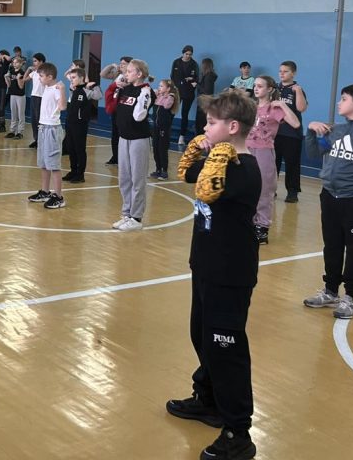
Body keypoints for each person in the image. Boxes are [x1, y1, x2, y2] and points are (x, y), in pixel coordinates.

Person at [167, 90, 262, 460]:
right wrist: (200, 150)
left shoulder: (242, 169)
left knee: (227, 349)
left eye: (211, 122)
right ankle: (208, 399)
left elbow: (206, 190)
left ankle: (239, 432)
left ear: (233, 127)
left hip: (229, 271)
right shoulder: (219, 161)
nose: (204, 128)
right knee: (202, 336)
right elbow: (190, 174)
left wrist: (214, 155)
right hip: (205, 264)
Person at [302, 85, 353, 320]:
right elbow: (313, 154)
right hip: (330, 195)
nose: (339, 103)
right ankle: (330, 291)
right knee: (332, 245)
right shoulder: (336, 130)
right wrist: (311, 131)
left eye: (344, 99)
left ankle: (351, 297)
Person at [246, 76, 299, 245]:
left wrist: (283, 105)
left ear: (269, 89)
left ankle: (262, 227)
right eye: (255, 86)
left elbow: (295, 124)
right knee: (246, 188)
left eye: (260, 86)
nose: (256, 88)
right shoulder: (251, 106)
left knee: (264, 189)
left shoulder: (274, 108)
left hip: (263, 151)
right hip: (246, 149)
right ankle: (247, 223)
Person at [113, 59, 153, 232]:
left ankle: (136, 217)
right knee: (124, 178)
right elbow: (114, 107)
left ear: (139, 74)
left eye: (129, 71)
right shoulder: (125, 89)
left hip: (138, 139)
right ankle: (126, 214)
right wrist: (118, 87)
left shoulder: (146, 91)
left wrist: (143, 95)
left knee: (137, 178)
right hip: (123, 138)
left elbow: (139, 116)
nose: (126, 73)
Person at [27, 62, 67, 210]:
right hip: (43, 127)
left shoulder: (57, 89)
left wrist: (62, 90)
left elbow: (62, 107)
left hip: (52, 129)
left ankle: (59, 197)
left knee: (53, 165)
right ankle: (45, 191)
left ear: (50, 77)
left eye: (42, 76)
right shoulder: (47, 88)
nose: (40, 78)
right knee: (44, 163)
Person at [274, 60, 308, 203]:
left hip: (292, 133)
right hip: (274, 132)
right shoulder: (275, 88)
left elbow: (301, 108)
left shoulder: (297, 89)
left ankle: (292, 192)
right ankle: (271, 189)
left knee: (292, 164)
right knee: (272, 163)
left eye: (285, 71)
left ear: (293, 73)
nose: (282, 74)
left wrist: (298, 91)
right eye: (280, 71)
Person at [63, 69, 101, 184]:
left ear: (81, 78)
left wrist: (94, 85)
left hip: (80, 125)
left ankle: (80, 174)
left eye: (74, 77)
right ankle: (73, 171)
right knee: (71, 148)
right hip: (70, 123)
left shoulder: (86, 90)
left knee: (79, 149)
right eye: (71, 77)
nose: (71, 79)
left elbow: (98, 96)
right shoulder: (73, 89)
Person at [100, 57, 132, 165]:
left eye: (124, 64)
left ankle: (124, 158)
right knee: (115, 133)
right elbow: (103, 74)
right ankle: (115, 157)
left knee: (123, 133)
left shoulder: (130, 77)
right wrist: (112, 66)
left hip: (125, 107)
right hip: (115, 106)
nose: (121, 65)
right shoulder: (117, 75)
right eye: (120, 63)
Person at [150, 78, 180, 180]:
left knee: (162, 149)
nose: (159, 88)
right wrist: (156, 94)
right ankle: (158, 169)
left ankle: (164, 171)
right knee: (155, 148)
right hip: (156, 127)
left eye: (161, 86)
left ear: (168, 89)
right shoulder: (159, 96)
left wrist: (166, 96)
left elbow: (166, 106)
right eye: (159, 86)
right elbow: (152, 101)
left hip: (164, 129)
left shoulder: (170, 98)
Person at [171, 45, 199, 145]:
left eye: (190, 54)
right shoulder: (176, 62)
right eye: (186, 54)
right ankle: (166, 131)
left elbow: (197, 78)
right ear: (183, 53)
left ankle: (182, 136)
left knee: (184, 114)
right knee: (171, 111)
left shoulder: (194, 64)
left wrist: (192, 81)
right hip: (178, 91)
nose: (188, 56)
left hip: (188, 93)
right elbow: (172, 77)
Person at [26, 52, 46, 149]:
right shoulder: (34, 72)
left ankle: (42, 141)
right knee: (33, 119)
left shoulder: (45, 72)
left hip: (41, 97)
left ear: (41, 62)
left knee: (39, 120)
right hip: (33, 96)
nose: (33, 63)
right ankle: (36, 139)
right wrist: (28, 70)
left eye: (35, 61)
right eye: (33, 61)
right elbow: (24, 79)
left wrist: (39, 72)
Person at [5, 55, 27, 140]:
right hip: (12, 94)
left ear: (21, 64)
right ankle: (12, 130)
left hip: (20, 96)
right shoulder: (11, 71)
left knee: (20, 114)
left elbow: (21, 86)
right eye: (13, 62)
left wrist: (18, 79)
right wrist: (6, 78)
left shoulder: (22, 73)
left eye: (16, 62)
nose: (14, 64)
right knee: (13, 113)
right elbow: (9, 85)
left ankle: (20, 132)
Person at [194, 58, 218, 136]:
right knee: (202, 122)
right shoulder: (209, 75)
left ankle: (200, 138)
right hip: (205, 101)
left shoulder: (208, 76)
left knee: (201, 123)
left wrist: (196, 85)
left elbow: (207, 91)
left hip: (204, 102)